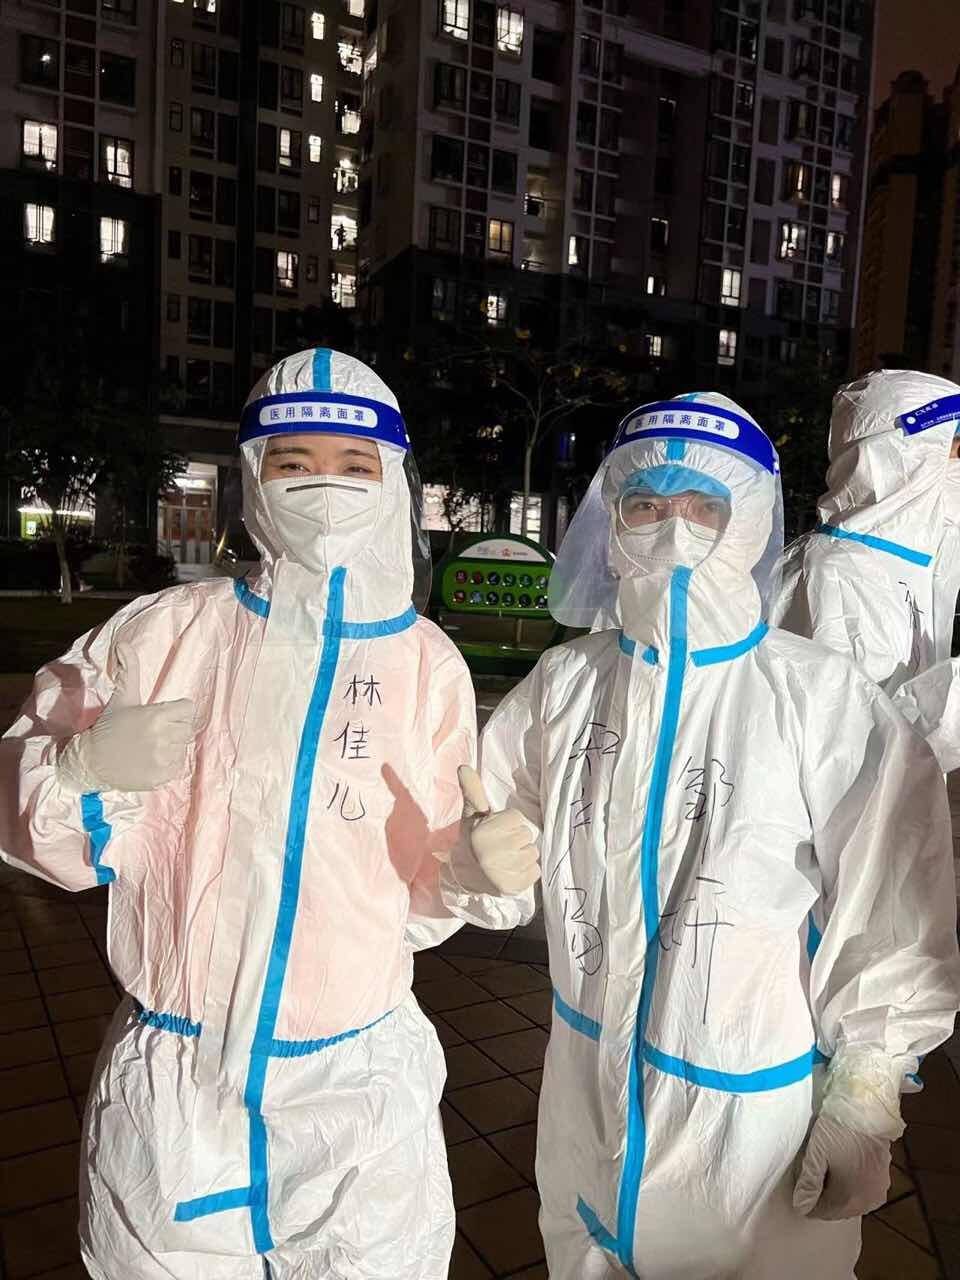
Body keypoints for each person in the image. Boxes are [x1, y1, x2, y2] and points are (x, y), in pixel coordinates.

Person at [0, 348, 512, 1280]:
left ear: (393, 481)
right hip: (177, 1091)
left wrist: (471, 867)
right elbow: (40, 831)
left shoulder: (424, 662)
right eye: (295, 461)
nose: (326, 486)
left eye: (354, 464)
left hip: (358, 1087)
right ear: (253, 478)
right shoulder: (164, 633)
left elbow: (424, 883)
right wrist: (76, 773)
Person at [449, 393, 960, 1279]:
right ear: (613, 521)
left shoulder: (821, 697)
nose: (674, 530)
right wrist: (479, 862)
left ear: (750, 520)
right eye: (647, 505)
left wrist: (866, 1091)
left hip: (747, 1126)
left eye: (704, 507)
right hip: (586, 1099)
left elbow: (891, 906)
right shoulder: (567, 684)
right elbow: (498, 822)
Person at [773, 369, 960, 697]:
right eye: (958, 451)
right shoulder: (833, 574)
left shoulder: (914, 566)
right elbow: (840, 719)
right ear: (904, 454)